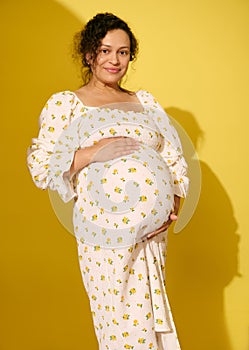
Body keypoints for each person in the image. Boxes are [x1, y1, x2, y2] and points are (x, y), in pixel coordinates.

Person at [27, 12, 189, 350]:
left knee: (153, 323)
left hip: (151, 237)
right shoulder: (67, 105)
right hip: (104, 233)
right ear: (89, 55)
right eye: (105, 51)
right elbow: (41, 165)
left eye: (124, 52)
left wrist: (170, 207)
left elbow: (174, 160)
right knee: (120, 325)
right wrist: (92, 152)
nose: (115, 60)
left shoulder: (144, 103)